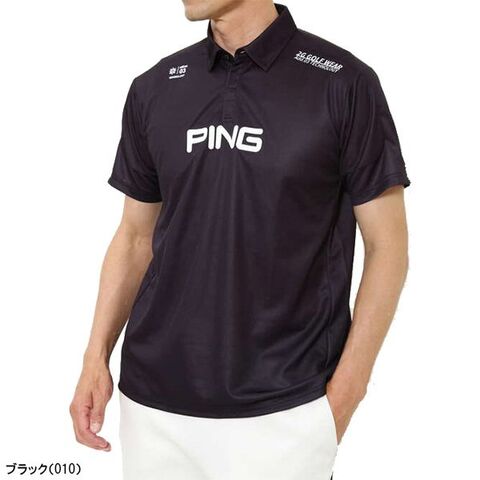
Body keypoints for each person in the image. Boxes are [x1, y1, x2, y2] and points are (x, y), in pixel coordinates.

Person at [69, 1, 411, 479]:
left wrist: (345, 396)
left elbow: (387, 248)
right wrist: (95, 356)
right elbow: (133, 237)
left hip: (284, 411)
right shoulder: (155, 86)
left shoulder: (342, 83)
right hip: (152, 408)